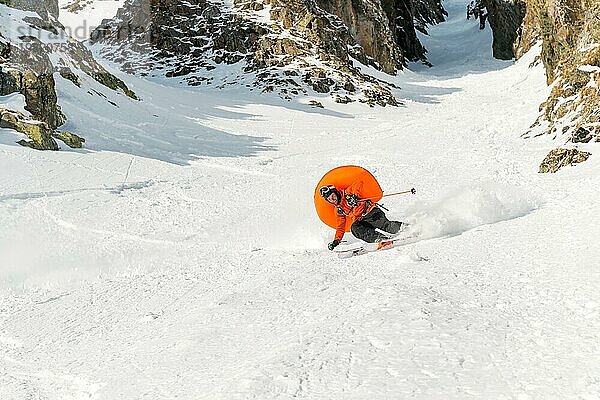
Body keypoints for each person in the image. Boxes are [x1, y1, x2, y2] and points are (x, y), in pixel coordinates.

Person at [319, 183, 406, 251]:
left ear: (336, 192)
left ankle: (406, 228)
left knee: (386, 227)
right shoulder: (338, 210)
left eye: (333, 196)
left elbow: (358, 183)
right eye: (329, 199)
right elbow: (340, 227)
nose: (333, 200)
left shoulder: (347, 193)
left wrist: (354, 196)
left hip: (371, 213)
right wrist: (336, 240)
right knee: (354, 228)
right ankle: (380, 239)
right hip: (362, 221)